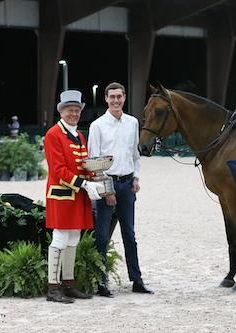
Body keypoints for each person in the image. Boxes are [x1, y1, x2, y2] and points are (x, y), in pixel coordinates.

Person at [88, 82, 153, 297]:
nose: (116, 100)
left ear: (124, 98)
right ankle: (100, 282)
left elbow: (135, 156)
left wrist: (135, 178)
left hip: (127, 185)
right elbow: (94, 162)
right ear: (106, 99)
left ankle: (136, 280)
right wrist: (107, 191)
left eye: (119, 96)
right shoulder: (97, 126)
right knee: (102, 236)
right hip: (108, 184)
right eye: (112, 97)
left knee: (130, 235)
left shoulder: (133, 123)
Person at [44, 90, 104, 303]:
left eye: (77, 110)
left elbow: (83, 164)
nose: (74, 113)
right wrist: (85, 183)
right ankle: (53, 287)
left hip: (78, 194)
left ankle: (68, 284)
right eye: (70, 110)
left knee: (73, 238)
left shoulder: (79, 135)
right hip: (61, 194)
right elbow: (59, 170)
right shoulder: (53, 134)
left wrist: (95, 176)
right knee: (60, 238)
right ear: (62, 111)